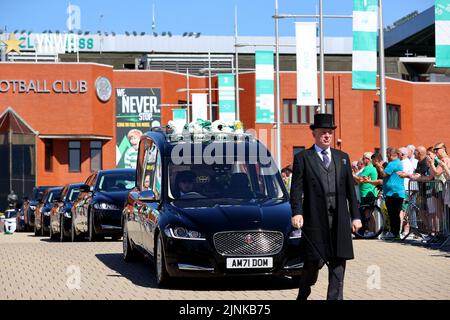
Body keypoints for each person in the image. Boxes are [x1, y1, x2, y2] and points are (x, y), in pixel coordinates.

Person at [290, 113, 361, 301]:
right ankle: (303, 293)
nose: (327, 136)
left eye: (330, 132)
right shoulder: (303, 158)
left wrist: (356, 216)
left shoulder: (342, 158)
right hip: (315, 218)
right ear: (314, 134)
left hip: (339, 219)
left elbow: (350, 191)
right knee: (312, 262)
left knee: (339, 262)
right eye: (323, 132)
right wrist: (297, 212)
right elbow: (296, 189)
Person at [374, 147, 405, 240]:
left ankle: (394, 233)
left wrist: (379, 166)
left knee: (393, 214)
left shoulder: (393, 163)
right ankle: (395, 233)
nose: (387, 157)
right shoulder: (397, 163)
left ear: (391, 155)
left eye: (387, 155)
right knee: (394, 213)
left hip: (394, 193)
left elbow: (384, 174)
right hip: (393, 192)